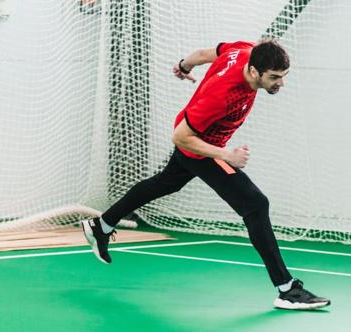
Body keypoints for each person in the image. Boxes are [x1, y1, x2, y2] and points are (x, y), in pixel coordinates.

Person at [82, 39, 330, 310]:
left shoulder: (245, 51)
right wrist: (227, 156)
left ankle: (101, 225)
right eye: (274, 77)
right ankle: (287, 289)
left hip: (200, 140)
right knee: (256, 204)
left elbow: (203, 54)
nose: (281, 83)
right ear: (254, 71)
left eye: (283, 76)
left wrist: (183, 66)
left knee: (164, 183)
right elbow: (180, 137)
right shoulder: (222, 95)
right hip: (199, 147)